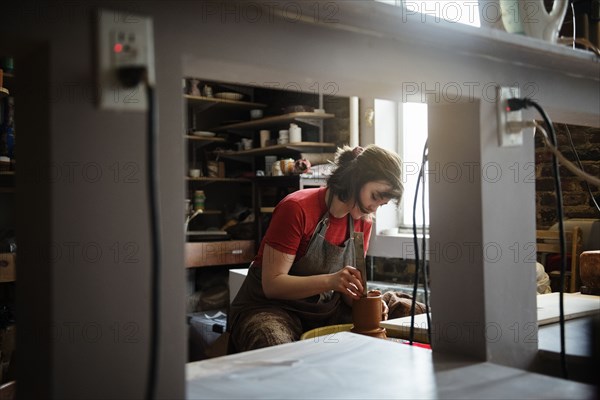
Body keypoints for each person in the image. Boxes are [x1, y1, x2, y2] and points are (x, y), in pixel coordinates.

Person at [228, 144, 404, 352]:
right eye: (375, 197)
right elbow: (272, 285)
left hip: (324, 309)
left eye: (381, 204)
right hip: (272, 308)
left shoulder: (363, 221)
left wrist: (368, 303)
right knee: (273, 343)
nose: (374, 208)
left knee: (408, 309)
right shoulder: (297, 208)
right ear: (355, 179)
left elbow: (350, 292)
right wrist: (332, 281)